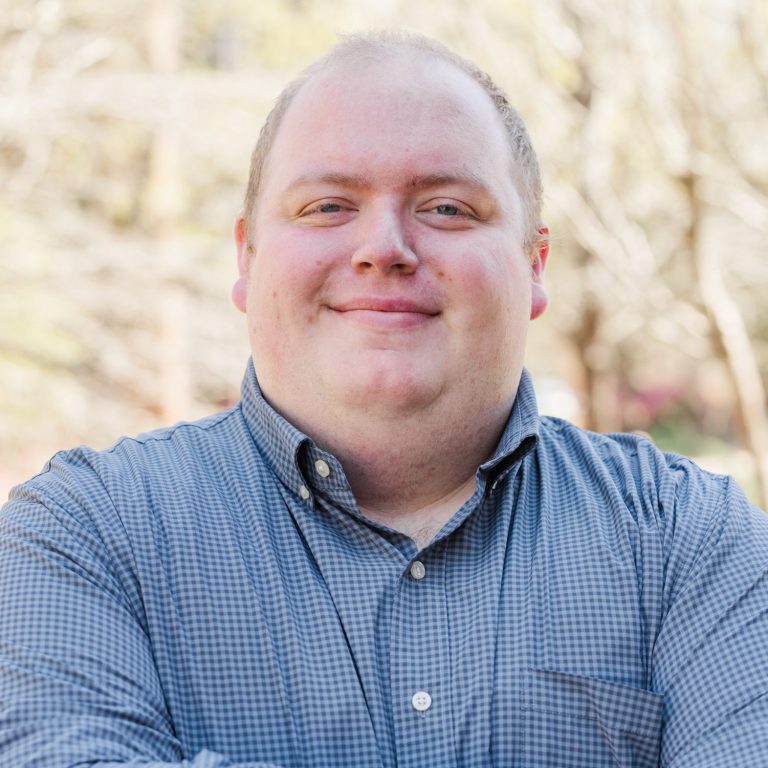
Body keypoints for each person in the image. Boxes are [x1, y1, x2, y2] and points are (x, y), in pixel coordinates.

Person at [1, 31, 767, 768]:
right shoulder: (82, 537)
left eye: (446, 208)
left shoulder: (688, 544)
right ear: (246, 257)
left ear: (534, 264)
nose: (383, 248)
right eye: (328, 206)